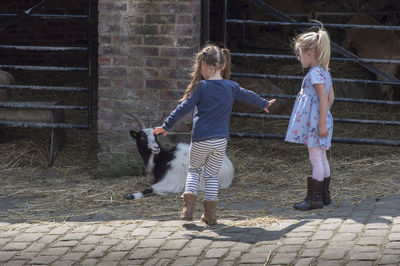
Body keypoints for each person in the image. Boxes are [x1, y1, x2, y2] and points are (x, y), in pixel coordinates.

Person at [153, 44, 276, 225]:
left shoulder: (201, 87)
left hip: (201, 139)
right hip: (220, 141)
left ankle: (187, 210)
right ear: (224, 65)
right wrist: (263, 103)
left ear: (202, 65)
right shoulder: (231, 86)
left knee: (194, 171)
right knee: (211, 176)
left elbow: (183, 108)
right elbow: (247, 95)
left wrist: (166, 126)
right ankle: (210, 215)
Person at [285, 26, 335, 211]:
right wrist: (324, 116)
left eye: (299, 54)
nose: (298, 58)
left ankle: (314, 199)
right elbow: (331, 98)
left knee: (315, 158)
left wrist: (320, 121)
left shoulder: (314, 73)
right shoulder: (325, 71)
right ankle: (324, 196)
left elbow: (323, 97)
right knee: (321, 157)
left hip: (316, 124)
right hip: (320, 121)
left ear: (310, 53)